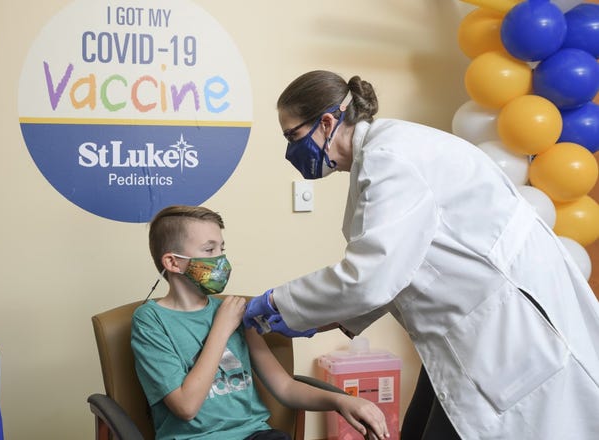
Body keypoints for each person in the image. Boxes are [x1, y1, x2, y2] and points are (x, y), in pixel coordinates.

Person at [243, 70, 599, 439]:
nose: (290, 151)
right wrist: (322, 318)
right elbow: (402, 267)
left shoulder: (391, 158)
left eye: (293, 136)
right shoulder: (383, 154)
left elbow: (372, 276)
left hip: (503, 333)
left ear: (328, 121)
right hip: (463, 331)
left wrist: (277, 302)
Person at [131, 205, 390, 440]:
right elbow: (186, 407)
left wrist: (342, 401)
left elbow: (285, 387)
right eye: (209, 250)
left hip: (256, 435)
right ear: (172, 262)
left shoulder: (233, 310)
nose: (221, 259)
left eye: (222, 249)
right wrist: (221, 330)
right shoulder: (150, 321)